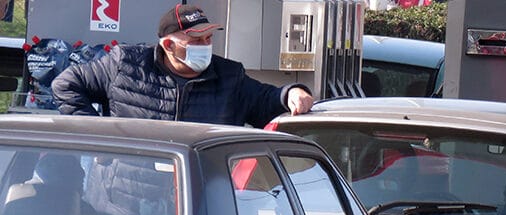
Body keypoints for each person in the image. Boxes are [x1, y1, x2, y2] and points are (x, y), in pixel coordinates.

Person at [52, 4, 313, 126]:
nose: (206, 44)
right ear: (168, 45)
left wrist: (292, 92)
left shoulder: (230, 77)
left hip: (199, 200)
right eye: (196, 40)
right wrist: (99, 136)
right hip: (122, 203)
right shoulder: (126, 64)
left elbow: (266, 100)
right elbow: (66, 84)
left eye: (208, 38)